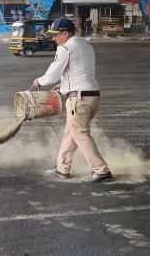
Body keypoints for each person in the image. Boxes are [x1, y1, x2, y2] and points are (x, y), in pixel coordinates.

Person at [32, 17, 113, 183]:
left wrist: (39, 81)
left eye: (56, 35)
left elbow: (53, 73)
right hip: (91, 95)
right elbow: (80, 71)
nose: (54, 39)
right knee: (71, 133)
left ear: (64, 33)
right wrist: (63, 86)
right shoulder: (86, 46)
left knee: (81, 134)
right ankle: (63, 168)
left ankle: (101, 170)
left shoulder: (65, 48)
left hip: (79, 99)